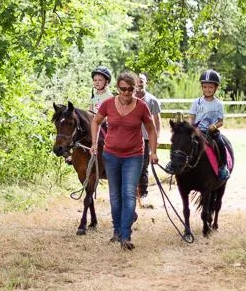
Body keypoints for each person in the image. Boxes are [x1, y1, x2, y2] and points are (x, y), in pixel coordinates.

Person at [91, 70, 158, 251]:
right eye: (122, 89)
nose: (126, 93)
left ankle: (125, 235)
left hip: (133, 156)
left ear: (135, 89)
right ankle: (116, 231)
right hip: (111, 155)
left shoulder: (142, 107)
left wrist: (153, 152)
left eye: (130, 89)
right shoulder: (108, 104)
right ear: (117, 88)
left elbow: (151, 129)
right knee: (115, 195)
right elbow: (96, 121)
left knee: (128, 194)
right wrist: (95, 143)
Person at [165, 69, 226, 176]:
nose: (208, 89)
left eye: (211, 87)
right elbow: (191, 118)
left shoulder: (218, 104)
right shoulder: (196, 102)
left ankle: (222, 166)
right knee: (181, 141)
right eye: (205, 87)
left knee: (220, 143)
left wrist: (214, 126)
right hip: (196, 130)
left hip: (211, 131)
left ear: (216, 88)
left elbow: (221, 122)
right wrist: (191, 128)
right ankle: (173, 163)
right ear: (201, 87)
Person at [134, 73, 161, 201]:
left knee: (143, 165)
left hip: (145, 138)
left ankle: (143, 191)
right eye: (137, 81)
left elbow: (157, 121)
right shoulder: (129, 99)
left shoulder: (152, 100)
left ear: (146, 83)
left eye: (142, 81)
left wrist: (157, 138)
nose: (139, 83)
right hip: (131, 138)